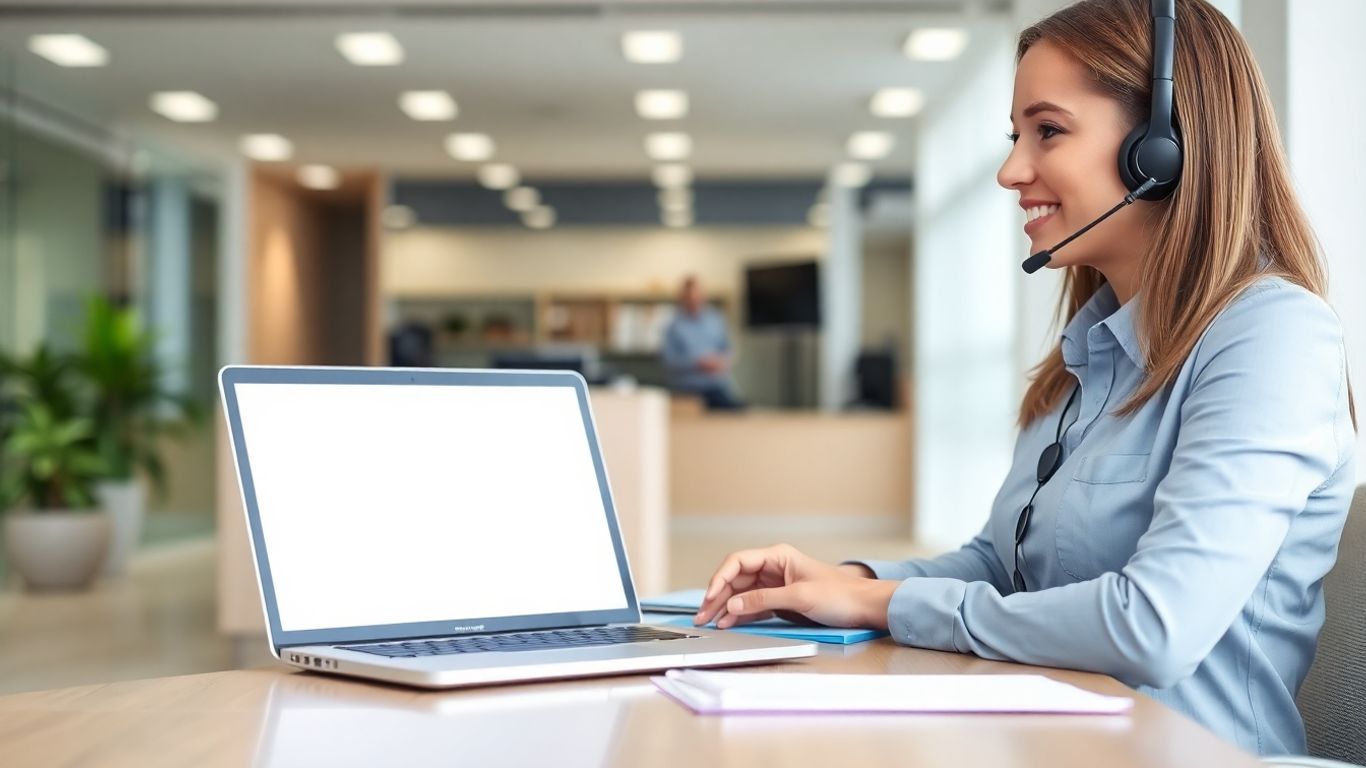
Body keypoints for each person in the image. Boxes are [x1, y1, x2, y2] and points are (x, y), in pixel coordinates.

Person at [693, 0, 1356, 757]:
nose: (1012, 171)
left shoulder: (1272, 334)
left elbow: (1155, 627)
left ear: (1162, 147)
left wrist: (887, 602)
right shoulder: (1086, 356)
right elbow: (999, 567)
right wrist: (840, 580)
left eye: (1049, 131)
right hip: (1047, 739)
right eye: (1016, 136)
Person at [661, 276, 744, 410]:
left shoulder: (716, 320)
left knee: (740, 410)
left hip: (716, 387)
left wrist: (721, 361)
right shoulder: (673, 326)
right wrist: (698, 363)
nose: (694, 300)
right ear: (682, 298)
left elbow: (729, 349)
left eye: (697, 296)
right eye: (690, 297)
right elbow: (669, 361)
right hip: (687, 390)